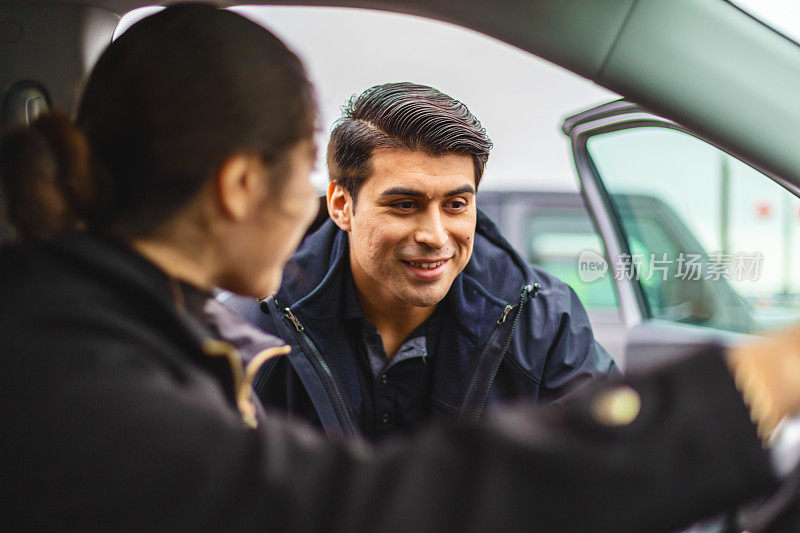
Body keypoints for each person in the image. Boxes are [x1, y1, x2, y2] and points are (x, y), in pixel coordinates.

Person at [0, 4, 796, 531]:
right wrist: (757, 379)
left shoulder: (111, 325)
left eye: (459, 204)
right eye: (306, 174)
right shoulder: (86, 370)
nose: (438, 235)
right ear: (243, 185)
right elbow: (353, 504)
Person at [228, 82, 618, 441]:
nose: (434, 235)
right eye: (404, 205)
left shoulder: (542, 320)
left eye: (455, 205)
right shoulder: (254, 328)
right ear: (342, 205)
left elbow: (603, 465)